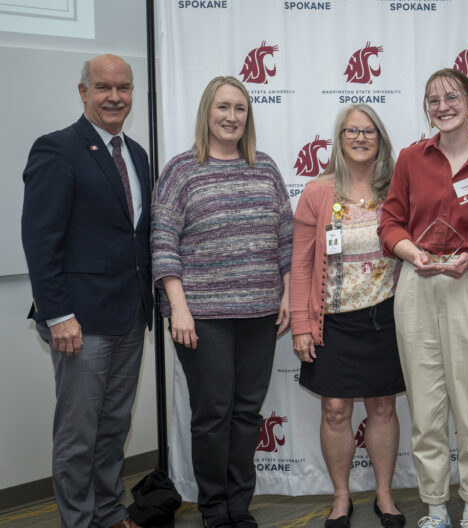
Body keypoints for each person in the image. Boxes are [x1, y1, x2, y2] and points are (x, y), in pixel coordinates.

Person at [378, 68, 468, 528]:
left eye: (451, 97)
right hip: (417, 285)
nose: (443, 107)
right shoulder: (410, 159)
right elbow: (390, 223)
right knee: (426, 408)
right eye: (433, 101)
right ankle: (436, 509)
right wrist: (412, 253)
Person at [151, 76, 292, 528]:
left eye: (240, 109)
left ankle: (239, 506)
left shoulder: (266, 167)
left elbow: (286, 238)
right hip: (202, 317)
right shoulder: (181, 170)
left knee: (247, 413)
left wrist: (288, 293)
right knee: (213, 414)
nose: (231, 117)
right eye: (223, 107)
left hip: (261, 313)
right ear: (206, 114)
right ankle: (214, 508)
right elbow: (163, 242)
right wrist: (179, 307)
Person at [20, 54, 152, 528]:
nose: (115, 97)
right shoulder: (56, 149)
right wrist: (58, 315)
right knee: (79, 435)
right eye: (103, 88)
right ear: (83, 93)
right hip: (80, 322)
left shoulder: (136, 154)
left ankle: (110, 513)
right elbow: (40, 240)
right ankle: (79, 521)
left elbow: (138, 235)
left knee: (113, 428)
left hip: (130, 316)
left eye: (124, 88)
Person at [290, 104, 406, 528]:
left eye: (369, 131)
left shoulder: (397, 187)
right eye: (351, 131)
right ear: (338, 138)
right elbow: (301, 264)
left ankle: (385, 495)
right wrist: (301, 326)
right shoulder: (318, 192)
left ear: (381, 138)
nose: (360, 138)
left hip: (385, 318)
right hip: (333, 320)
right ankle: (341, 497)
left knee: (382, 408)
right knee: (336, 410)